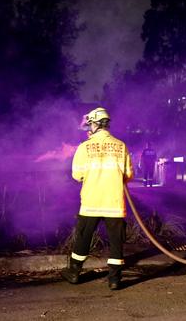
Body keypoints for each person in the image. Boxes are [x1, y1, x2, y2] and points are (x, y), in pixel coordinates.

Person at [61, 107, 133, 290]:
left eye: (90, 124)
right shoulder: (121, 145)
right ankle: (114, 280)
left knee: (83, 237)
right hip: (114, 202)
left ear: (94, 124)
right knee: (116, 241)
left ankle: (74, 272)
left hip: (91, 202)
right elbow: (129, 174)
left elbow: (77, 175)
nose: (89, 127)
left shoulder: (84, 147)